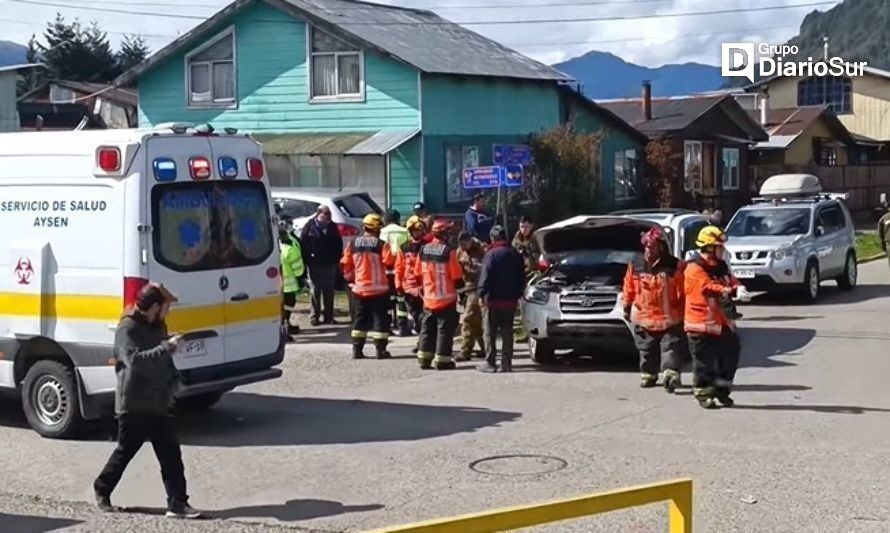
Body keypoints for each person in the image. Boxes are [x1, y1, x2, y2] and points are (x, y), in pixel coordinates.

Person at [94, 283, 201, 519]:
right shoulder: (127, 328)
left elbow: (159, 355)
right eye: (166, 307)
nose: (168, 312)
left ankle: (178, 504)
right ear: (154, 307)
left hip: (158, 400)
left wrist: (171, 353)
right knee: (126, 450)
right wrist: (166, 347)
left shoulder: (157, 325)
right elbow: (135, 361)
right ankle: (102, 488)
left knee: (170, 453)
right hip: (133, 403)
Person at [683, 226, 750, 409]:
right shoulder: (693, 268)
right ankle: (703, 394)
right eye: (720, 247)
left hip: (721, 323)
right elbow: (708, 287)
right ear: (710, 248)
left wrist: (738, 286)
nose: (723, 250)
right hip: (700, 325)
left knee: (731, 355)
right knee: (704, 363)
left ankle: (721, 391)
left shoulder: (720, 266)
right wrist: (732, 290)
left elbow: (729, 278)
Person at [622, 227, 686, 392]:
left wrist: (686, 311)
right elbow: (629, 286)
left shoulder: (674, 266)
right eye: (647, 247)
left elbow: (684, 290)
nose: (649, 250)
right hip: (644, 317)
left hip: (669, 318)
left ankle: (670, 374)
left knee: (670, 347)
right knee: (646, 349)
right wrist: (627, 306)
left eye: (652, 247)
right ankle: (648, 375)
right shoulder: (636, 265)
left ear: (662, 248)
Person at [340, 214, 395, 360]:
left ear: (364, 227)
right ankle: (380, 351)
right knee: (380, 320)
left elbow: (345, 264)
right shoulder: (381, 244)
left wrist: (351, 281)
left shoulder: (353, 243)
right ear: (377, 229)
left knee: (360, 320)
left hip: (360, 290)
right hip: (379, 290)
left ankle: (357, 350)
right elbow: (390, 261)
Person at [414, 219, 464, 370]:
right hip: (446, 299)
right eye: (448, 231)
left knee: (427, 329)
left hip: (429, 299)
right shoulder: (449, 252)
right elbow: (456, 276)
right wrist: (462, 293)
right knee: (444, 330)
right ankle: (442, 360)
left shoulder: (423, 250)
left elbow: (417, 273)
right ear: (444, 234)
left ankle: (424, 358)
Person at [476, 225, 526, 373]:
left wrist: (481, 293)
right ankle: (506, 363)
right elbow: (521, 277)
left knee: (490, 332)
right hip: (510, 301)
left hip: (493, 300)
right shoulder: (515, 255)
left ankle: (491, 363)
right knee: (507, 332)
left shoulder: (491, 255)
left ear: (493, 238)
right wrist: (518, 294)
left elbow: (485, 276)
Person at [300, 205, 344, 326]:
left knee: (329, 291)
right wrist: (308, 260)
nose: (328, 218)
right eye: (326, 215)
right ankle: (314, 317)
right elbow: (303, 245)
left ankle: (328, 317)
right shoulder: (309, 227)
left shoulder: (332, 227)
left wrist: (336, 259)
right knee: (315, 291)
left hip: (329, 264)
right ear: (319, 214)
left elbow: (338, 245)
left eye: (329, 215)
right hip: (314, 264)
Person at [396, 216, 427, 347]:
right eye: (415, 230)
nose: (417, 233)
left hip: (424, 287)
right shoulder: (404, 247)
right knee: (415, 315)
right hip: (409, 287)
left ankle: (422, 342)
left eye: (419, 230)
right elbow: (399, 267)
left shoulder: (427, 247)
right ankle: (422, 341)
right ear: (410, 231)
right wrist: (398, 285)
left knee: (424, 317)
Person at [456, 231, 486, 362]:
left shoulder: (481, 250)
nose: (462, 247)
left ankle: (465, 351)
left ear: (470, 241)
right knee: (477, 322)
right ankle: (486, 348)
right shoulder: (460, 251)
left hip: (478, 287)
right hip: (466, 288)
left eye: (464, 244)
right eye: (460, 244)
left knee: (468, 319)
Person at [380, 209, 411, 336]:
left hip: (385, 270)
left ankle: (387, 325)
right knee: (401, 298)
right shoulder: (405, 232)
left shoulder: (380, 232)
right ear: (398, 219)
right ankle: (403, 326)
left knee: (387, 299)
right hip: (400, 269)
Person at [279, 222, 306, 339]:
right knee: (287, 308)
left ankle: (284, 328)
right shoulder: (290, 250)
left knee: (279, 310)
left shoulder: (273, 249)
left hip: (274, 287)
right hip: (289, 287)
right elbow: (298, 270)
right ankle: (285, 330)